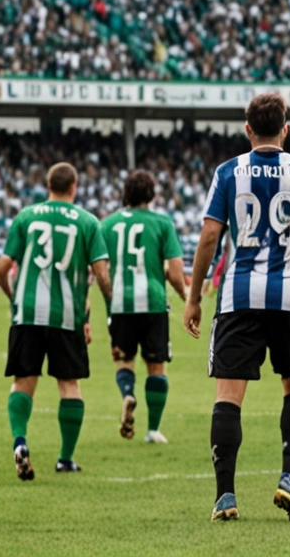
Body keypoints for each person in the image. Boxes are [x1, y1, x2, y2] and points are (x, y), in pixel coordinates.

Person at [183, 93, 290, 523]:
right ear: (285, 129)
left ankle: (225, 497)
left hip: (239, 298)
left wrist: (194, 297)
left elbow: (209, 239)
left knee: (229, 396)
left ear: (247, 129)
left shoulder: (228, 171)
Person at [0, 163, 112, 480]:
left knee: (23, 381)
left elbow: (0, 268)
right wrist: (111, 306)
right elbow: (101, 274)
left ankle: (20, 442)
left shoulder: (26, 217)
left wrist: (14, 298)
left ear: (48, 185)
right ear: (74, 186)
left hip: (28, 312)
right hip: (66, 315)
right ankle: (65, 458)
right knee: (69, 385)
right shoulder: (88, 222)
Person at [101, 170, 188, 444]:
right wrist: (188, 299)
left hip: (121, 302)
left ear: (125, 194)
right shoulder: (163, 223)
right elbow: (175, 273)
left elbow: (100, 268)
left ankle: (128, 393)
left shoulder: (107, 224)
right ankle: (152, 430)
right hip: (153, 301)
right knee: (156, 366)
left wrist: (108, 300)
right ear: (151, 195)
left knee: (124, 361)